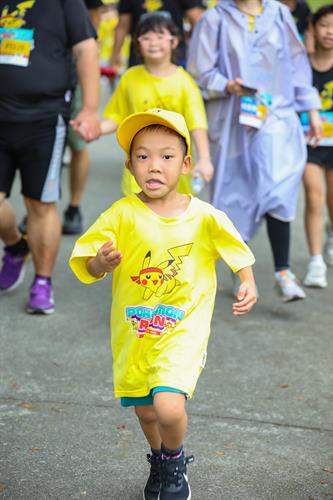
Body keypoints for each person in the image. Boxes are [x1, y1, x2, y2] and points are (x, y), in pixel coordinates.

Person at [69, 108, 257, 500]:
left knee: (169, 407)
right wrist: (99, 263)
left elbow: (236, 250)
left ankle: (174, 461)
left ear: (186, 163)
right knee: (146, 410)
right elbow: (87, 261)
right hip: (135, 330)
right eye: (143, 156)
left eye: (167, 156)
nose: (154, 166)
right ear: (129, 164)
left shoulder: (204, 217)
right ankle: (158, 458)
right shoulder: (120, 215)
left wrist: (247, 282)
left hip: (183, 327)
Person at [188, 0, 322, 302]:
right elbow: (199, 72)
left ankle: (283, 271)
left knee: (279, 186)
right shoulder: (214, 20)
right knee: (236, 193)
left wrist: (311, 108)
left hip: (277, 116)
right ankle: (241, 273)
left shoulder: (279, 15)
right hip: (232, 120)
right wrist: (227, 85)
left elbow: (297, 65)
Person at [0, 0, 100, 314]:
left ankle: (42, 282)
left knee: (40, 204)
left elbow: (86, 50)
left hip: (44, 118)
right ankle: (17, 247)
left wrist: (90, 108)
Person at [98, 12, 214, 195]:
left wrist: (205, 158)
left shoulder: (185, 83)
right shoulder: (130, 78)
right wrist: (95, 129)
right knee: (137, 219)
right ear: (137, 43)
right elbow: (117, 116)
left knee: (172, 219)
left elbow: (197, 123)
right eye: (146, 37)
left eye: (160, 36)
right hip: (138, 172)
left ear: (174, 42)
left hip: (175, 175)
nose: (153, 42)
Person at [62, 0, 104, 235]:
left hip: (71, 71)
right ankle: (36, 206)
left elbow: (94, 20)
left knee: (77, 142)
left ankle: (73, 206)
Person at [302, 6, 333, 288]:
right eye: (324, 25)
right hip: (308, 144)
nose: (330, 31)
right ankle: (315, 262)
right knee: (314, 196)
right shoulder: (301, 65)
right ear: (312, 28)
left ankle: (331, 235)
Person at [110, 0, 205, 68]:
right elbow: (122, 26)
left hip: (175, 57)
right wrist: (115, 55)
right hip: (140, 57)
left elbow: (198, 22)